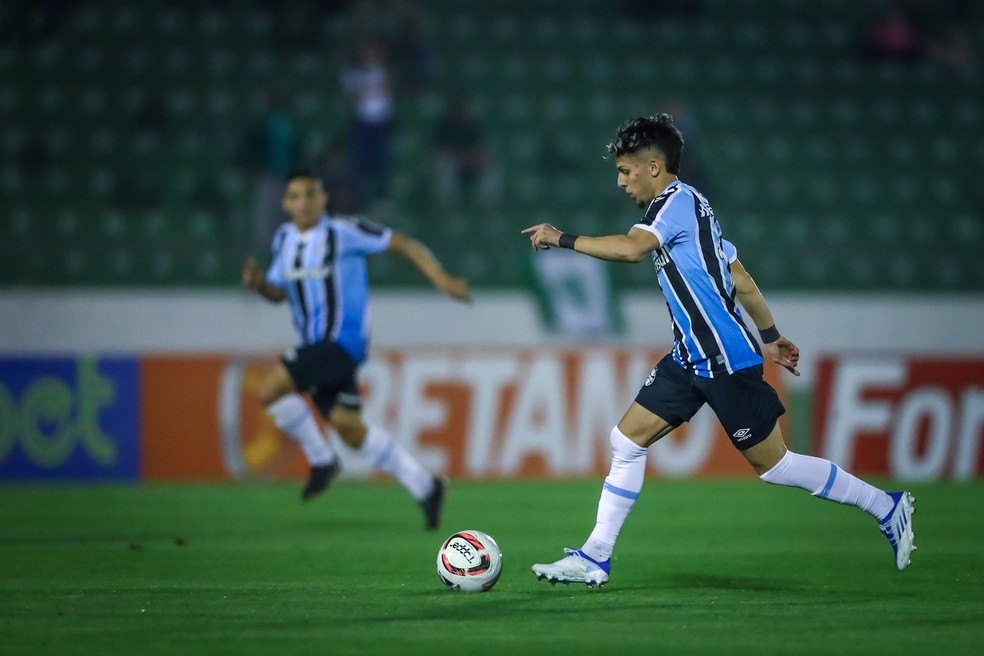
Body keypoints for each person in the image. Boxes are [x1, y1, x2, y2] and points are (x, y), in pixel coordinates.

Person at [521, 115, 916, 587]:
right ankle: (595, 556)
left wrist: (561, 237)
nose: (620, 181)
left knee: (776, 466)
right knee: (627, 441)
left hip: (724, 359)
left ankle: (884, 505)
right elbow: (740, 277)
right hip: (690, 357)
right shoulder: (695, 209)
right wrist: (771, 336)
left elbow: (630, 250)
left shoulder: (673, 205)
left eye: (626, 171)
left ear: (653, 166)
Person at [242, 169, 470, 529]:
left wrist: (441, 279)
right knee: (349, 427)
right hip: (313, 347)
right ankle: (426, 486)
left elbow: (404, 243)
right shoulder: (284, 239)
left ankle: (320, 459)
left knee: (271, 389)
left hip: (340, 344)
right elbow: (277, 292)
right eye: (294, 197)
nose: (302, 203)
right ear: (286, 204)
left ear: (322, 199)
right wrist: (259, 286)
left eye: (309, 195)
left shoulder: (343, 232)